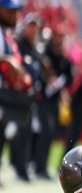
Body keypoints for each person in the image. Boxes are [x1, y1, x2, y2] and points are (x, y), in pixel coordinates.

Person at [0, 0, 34, 184]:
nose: (14, 15)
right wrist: (7, 60)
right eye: (10, 11)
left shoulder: (5, 34)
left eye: (16, 11)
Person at [33, 27, 74, 178]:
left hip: (54, 101)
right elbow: (38, 71)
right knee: (44, 130)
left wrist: (59, 81)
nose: (59, 40)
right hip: (41, 99)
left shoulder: (64, 59)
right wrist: (47, 79)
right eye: (58, 37)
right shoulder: (44, 54)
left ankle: (41, 166)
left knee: (50, 132)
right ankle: (37, 165)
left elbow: (70, 77)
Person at [13, 13, 44, 179]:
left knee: (26, 131)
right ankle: (18, 167)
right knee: (17, 131)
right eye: (30, 26)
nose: (33, 29)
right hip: (15, 94)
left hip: (30, 96)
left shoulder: (36, 48)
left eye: (35, 26)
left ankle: (22, 167)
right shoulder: (18, 45)